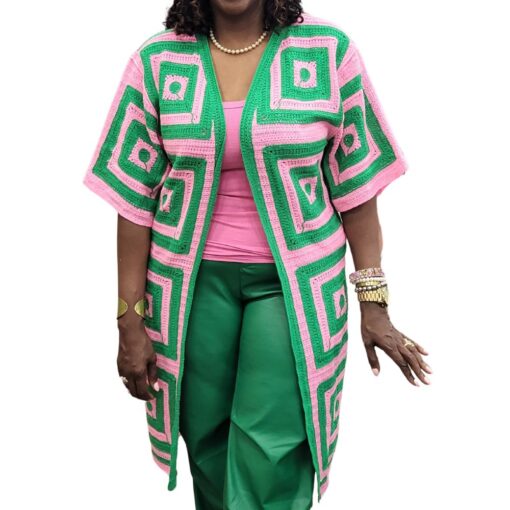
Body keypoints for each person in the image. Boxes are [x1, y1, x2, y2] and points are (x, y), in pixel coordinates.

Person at [83, 0, 433, 508]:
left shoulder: (327, 52)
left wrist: (373, 302)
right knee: (208, 446)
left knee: (269, 452)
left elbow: (356, 188)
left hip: (293, 289)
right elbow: (134, 199)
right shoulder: (157, 61)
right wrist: (128, 319)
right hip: (190, 288)